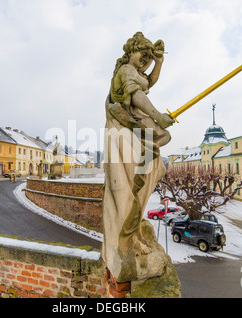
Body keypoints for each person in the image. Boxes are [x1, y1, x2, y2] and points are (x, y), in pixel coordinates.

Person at [102, 32, 174, 283]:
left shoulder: (136, 73)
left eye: (147, 59)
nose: (145, 62)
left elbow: (148, 83)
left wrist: (159, 62)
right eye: (142, 57)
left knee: (158, 146)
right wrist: (158, 116)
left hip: (135, 127)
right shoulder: (125, 72)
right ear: (130, 52)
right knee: (158, 140)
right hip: (127, 129)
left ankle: (133, 224)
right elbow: (136, 96)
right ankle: (129, 233)